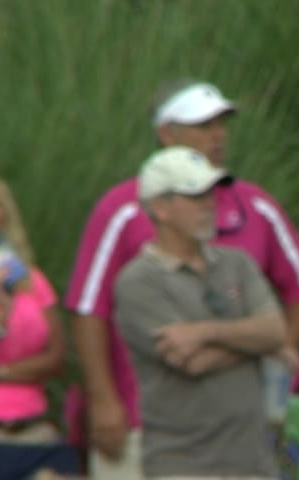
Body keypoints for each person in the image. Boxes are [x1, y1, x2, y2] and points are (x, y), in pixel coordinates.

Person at [64, 79, 299, 478]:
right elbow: (88, 309)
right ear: (166, 133)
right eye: (203, 126)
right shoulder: (121, 210)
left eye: (221, 124)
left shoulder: (255, 206)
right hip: (151, 430)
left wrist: (274, 350)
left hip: (245, 437)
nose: (217, 135)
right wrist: (103, 401)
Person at [114, 146, 288, 478]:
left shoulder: (238, 263)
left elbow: (276, 330)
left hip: (255, 465)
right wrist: (257, 343)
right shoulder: (138, 280)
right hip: (183, 467)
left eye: (210, 193)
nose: (209, 203)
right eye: (194, 195)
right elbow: (193, 362)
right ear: (160, 208)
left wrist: (203, 332)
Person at [0, 171, 78, 478]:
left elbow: (56, 359)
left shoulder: (34, 281)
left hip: (34, 429)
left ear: (4, 215)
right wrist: (2, 311)